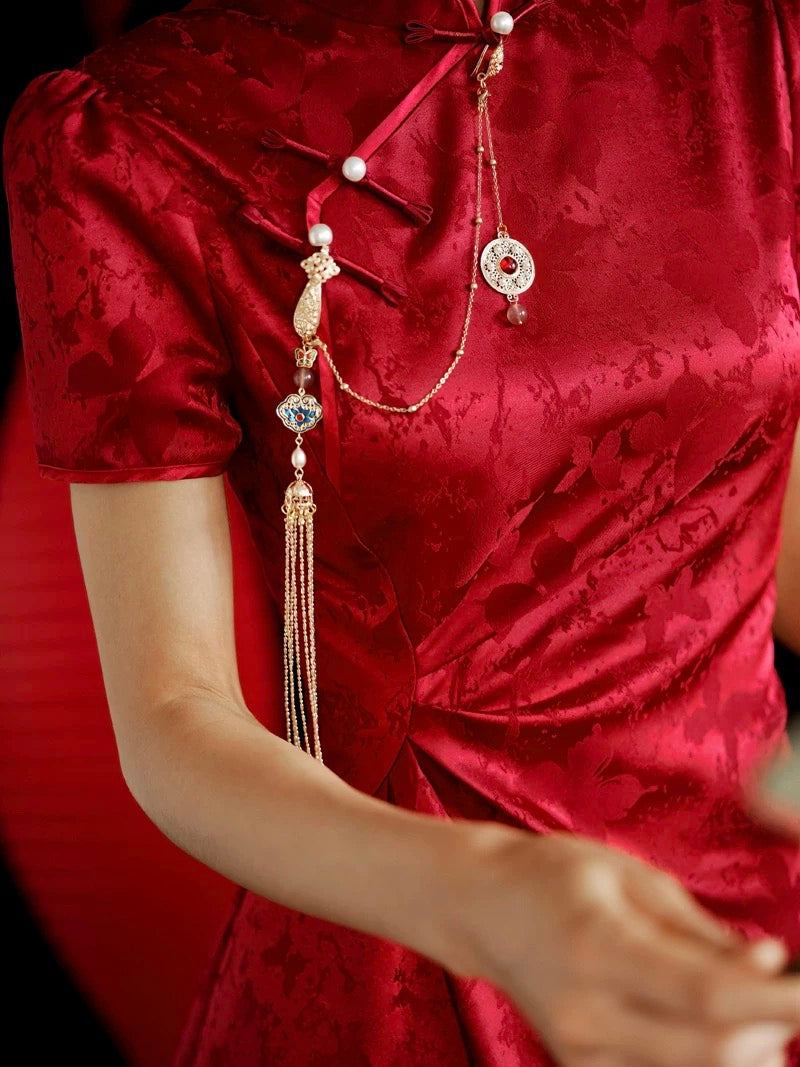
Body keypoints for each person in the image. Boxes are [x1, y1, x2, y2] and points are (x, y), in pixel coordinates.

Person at [4, 0, 800, 1064]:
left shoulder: (751, 39)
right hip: (421, 925)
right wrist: (486, 898)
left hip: (758, 900)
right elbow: (173, 714)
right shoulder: (127, 132)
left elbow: (757, 525)